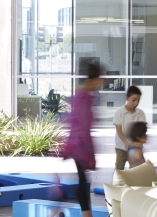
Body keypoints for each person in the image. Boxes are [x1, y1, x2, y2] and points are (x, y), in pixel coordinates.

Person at [62, 62, 103, 217]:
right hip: (80, 147)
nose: (100, 84)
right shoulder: (83, 98)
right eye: (99, 81)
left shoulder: (82, 97)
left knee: (83, 181)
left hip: (79, 147)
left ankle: (87, 213)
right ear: (94, 80)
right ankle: (87, 214)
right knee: (83, 182)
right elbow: (81, 126)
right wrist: (84, 152)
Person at [113, 86, 146, 170]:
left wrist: (137, 143)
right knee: (119, 169)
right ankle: (117, 183)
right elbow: (118, 129)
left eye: (138, 100)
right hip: (121, 147)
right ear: (127, 98)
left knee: (139, 169)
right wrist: (125, 141)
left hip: (136, 147)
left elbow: (141, 129)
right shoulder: (119, 112)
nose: (136, 103)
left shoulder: (140, 113)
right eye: (134, 100)